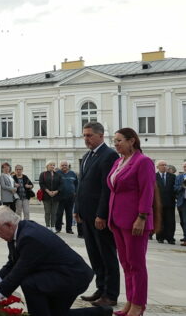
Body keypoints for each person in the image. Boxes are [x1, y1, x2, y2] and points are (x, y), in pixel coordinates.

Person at [0, 206, 112, 316]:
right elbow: (12, 264)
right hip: (61, 273)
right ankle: (101, 313)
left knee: (29, 283)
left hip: (73, 276)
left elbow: (18, 273)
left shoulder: (29, 237)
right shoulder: (17, 233)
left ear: (9, 225)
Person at [107, 128, 155, 316]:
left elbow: (147, 190)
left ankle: (138, 304)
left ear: (132, 141)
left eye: (119, 140)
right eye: (114, 141)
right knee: (126, 263)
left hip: (135, 220)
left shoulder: (143, 162)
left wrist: (142, 217)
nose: (115, 144)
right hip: (117, 219)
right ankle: (130, 300)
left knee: (137, 264)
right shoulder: (119, 161)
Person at [75, 121, 120, 307]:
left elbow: (106, 189)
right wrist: (77, 209)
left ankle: (110, 294)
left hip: (99, 217)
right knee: (94, 255)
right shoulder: (87, 156)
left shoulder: (108, 155)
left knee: (106, 255)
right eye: (84, 135)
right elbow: (81, 185)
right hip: (86, 215)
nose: (86, 139)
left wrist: (102, 214)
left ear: (101, 135)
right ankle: (100, 288)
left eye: (89, 135)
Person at [155, 160, 177, 244]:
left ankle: (170, 238)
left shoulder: (172, 176)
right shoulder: (154, 176)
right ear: (157, 167)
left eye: (165, 165)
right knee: (159, 220)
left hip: (170, 202)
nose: (164, 166)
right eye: (162, 165)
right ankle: (160, 237)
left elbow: (175, 189)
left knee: (170, 221)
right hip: (158, 202)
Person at [57, 161, 78, 234]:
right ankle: (58, 228)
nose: (64, 166)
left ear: (68, 166)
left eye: (65, 165)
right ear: (60, 166)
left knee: (69, 214)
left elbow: (76, 184)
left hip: (70, 197)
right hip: (60, 197)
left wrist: (76, 192)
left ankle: (69, 229)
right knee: (59, 213)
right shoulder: (57, 173)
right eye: (62, 165)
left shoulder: (73, 173)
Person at [39, 161, 61, 229]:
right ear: (47, 166)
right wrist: (48, 191)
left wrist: (56, 191)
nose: (52, 166)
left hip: (56, 196)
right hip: (46, 196)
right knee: (47, 212)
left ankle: (53, 226)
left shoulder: (58, 175)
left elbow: (61, 184)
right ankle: (48, 226)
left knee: (54, 213)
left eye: (53, 165)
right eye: (51, 165)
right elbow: (41, 183)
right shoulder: (43, 174)